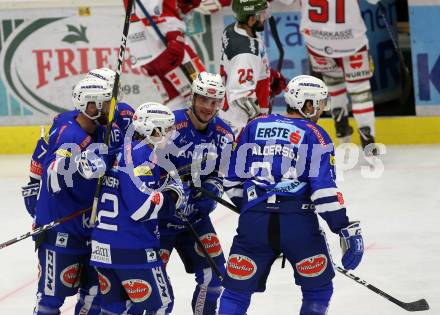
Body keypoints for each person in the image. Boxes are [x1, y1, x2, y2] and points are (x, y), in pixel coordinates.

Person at [218, 75, 364, 315]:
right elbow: (324, 191)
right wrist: (342, 227)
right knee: (318, 290)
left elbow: (232, 179)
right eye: (319, 103)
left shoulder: (255, 126)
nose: (321, 109)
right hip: (298, 225)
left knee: (236, 292)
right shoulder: (315, 134)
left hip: (253, 224)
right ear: (306, 104)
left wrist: (252, 205)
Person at [32, 77, 122, 315]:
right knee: (50, 302)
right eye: (103, 103)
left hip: (91, 231)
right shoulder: (69, 135)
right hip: (61, 230)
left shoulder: (102, 130)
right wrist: (79, 164)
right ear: (88, 106)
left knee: (93, 296)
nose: (108, 108)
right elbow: (51, 176)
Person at [90, 102, 183, 315]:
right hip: (132, 250)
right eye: (168, 129)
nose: (171, 134)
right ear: (153, 130)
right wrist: (172, 195)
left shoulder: (123, 150)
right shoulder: (142, 155)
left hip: (103, 249)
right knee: (160, 304)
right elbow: (140, 208)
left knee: (115, 310)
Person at [157, 71, 234, 315]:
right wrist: (170, 191)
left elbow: (219, 174)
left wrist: (213, 187)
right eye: (203, 100)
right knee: (154, 289)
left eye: (214, 102)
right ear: (192, 97)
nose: (207, 107)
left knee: (216, 277)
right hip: (159, 222)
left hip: (196, 219)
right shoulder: (169, 126)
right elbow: (144, 171)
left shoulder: (224, 134)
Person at [22, 68, 133, 221]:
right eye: (110, 96)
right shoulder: (65, 125)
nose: (115, 100)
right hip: (73, 212)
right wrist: (34, 186)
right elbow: (43, 157)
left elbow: (131, 155)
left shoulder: (124, 115)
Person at [299, 0, 381, 152]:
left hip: (317, 43)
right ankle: (368, 140)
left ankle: (341, 131)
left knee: (334, 86)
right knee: (360, 91)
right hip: (351, 43)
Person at [125, 0, 228, 110]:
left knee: (176, 98)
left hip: (143, 50)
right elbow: (155, 7)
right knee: (205, 92)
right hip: (167, 40)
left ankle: (165, 126)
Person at [219, 0, 287, 137]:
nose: (265, 17)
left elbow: (238, 69)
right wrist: (259, 122)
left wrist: (268, 76)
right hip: (241, 126)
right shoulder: (246, 54)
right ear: (251, 20)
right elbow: (241, 99)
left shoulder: (234, 29)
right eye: (261, 14)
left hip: (232, 115)